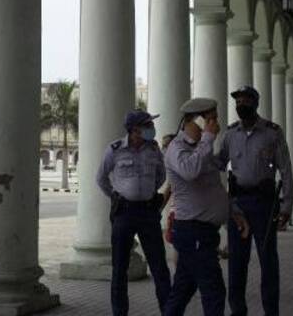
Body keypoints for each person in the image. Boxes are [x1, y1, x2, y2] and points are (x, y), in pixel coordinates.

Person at [164, 98, 250, 316]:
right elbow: (189, 171)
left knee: (183, 289)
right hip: (192, 231)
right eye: (211, 119)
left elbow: (215, 189)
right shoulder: (177, 148)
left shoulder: (202, 148)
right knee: (214, 291)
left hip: (203, 232)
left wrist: (234, 212)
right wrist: (208, 138)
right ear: (197, 120)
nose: (216, 124)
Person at [218, 85, 293, 316]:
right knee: (236, 265)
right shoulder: (230, 134)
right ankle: (238, 311)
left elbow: (286, 170)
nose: (240, 105)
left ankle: (271, 312)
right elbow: (217, 166)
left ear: (255, 103)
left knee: (268, 263)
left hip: (264, 205)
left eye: (245, 101)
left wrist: (287, 206)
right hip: (238, 206)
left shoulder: (272, 133)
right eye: (237, 101)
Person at [95, 109, 172, 316]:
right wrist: (116, 195)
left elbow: (161, 176)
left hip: (148, 213)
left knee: (159, 268)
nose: (152, 129)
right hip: (124, 213)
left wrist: (146, 193)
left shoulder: (154, 150)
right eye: (148, 125)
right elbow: (101, 178)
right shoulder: (115, 149)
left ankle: (168, 311)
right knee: (120, 269)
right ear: (134, 129)